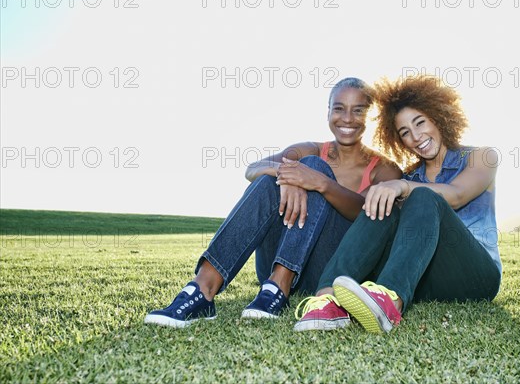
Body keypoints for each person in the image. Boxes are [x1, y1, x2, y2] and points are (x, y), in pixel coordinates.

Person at [144, 78, 402, 328]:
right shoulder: (308, 148)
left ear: (371, 117)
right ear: (328, 113)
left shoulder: (386, 170)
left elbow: (366, 214)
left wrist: (319, 182)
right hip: (275, 260)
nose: (347, 119)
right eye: (339, 109)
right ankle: (203, 288)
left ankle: (282, 284)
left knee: (313, 168)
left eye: (358, 111)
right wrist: (287, 176)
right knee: (273, 179)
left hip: (330, 270)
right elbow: (253, 168)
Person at [294, 75, 502, 334]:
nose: (416, 136)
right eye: (405, 132)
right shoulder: (410, 176)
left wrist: (402, 186)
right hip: (428, 279)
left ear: (438, 116)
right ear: (399, 140)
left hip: (477, 275)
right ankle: (327, 300)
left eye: (420, 123)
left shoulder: (481, 156)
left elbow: (457, 194)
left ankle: (390, 303)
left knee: (424, 197)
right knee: (382, 202)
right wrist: (389, 191)